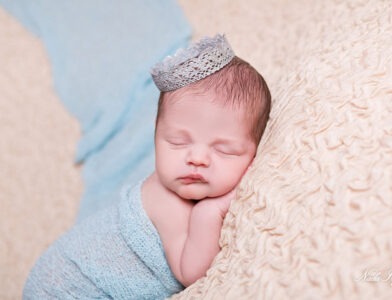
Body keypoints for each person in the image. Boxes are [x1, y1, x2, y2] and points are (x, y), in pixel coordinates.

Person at [23, 34, 271, 299]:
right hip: (66, 286)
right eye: (177, 142)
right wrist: (210, 212)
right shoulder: (166, 200)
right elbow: (191, 273)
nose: (197, 158)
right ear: (155, 137)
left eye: (224, 149)